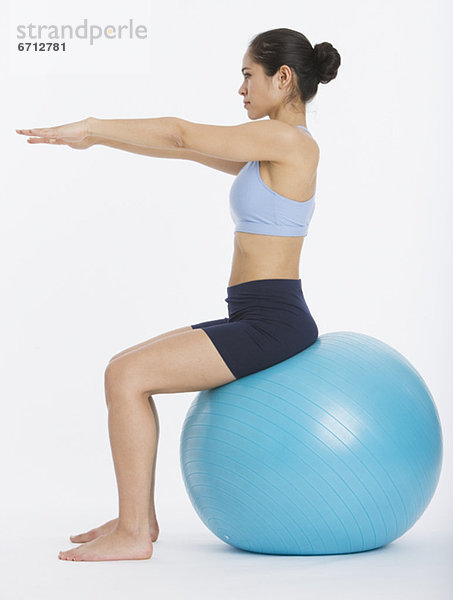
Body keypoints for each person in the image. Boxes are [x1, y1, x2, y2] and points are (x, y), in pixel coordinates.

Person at [16, 27, 341, 561]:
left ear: (282, 79)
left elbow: (181, 134)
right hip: (257, 313)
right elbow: (184, 151)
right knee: (124, 367)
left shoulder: (287, 142)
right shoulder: (267, 150)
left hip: (273, 321)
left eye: (247, 75)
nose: (240, 88)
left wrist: (94, 124)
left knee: (126, 377)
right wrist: (97, 140)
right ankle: (135, 521)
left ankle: (134, 533)